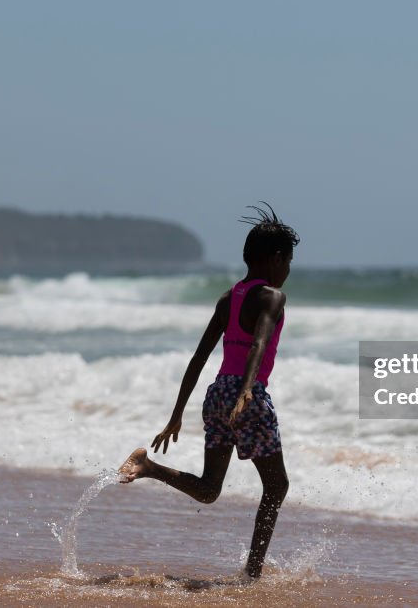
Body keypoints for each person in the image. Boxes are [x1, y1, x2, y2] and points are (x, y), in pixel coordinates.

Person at [118, 203, 299, 580]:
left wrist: (176, 414)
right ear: (276, 258)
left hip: (216, 395)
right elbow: (259, 344)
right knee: (277, 485)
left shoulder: (228, 298)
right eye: (288, 262)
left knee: (208, 489)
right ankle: (253, 572)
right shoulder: (272, 297)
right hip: (245, 395)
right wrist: (248, 389)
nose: (288, 271)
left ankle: (148, 466)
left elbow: (199, 357)